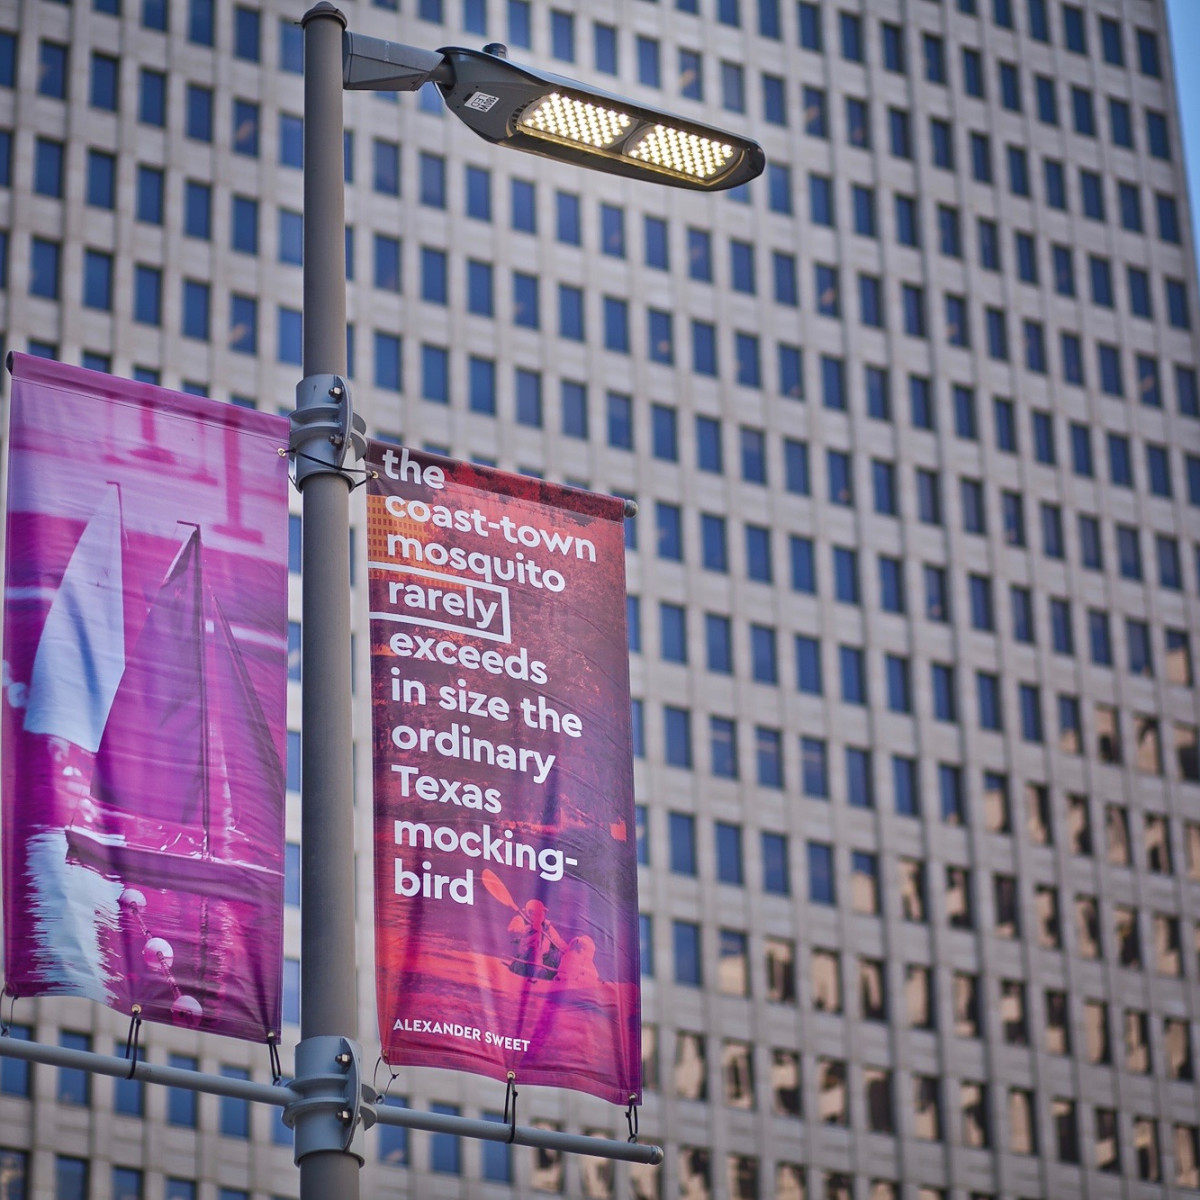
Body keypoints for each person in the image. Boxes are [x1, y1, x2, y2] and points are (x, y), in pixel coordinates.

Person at [507, 899, 564, 978]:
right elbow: (512, 930)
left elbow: (558, 941)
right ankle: (537, 972)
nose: (543, 915)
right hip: (524, 959)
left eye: (543, 913)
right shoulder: (520, 920)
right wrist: (529, 929)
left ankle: (549, 973)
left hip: (544, 959)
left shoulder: (547, 926)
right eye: (540, 913)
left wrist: (567, 950)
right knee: (532, 950)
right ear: (531, 914)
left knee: (558, 955)